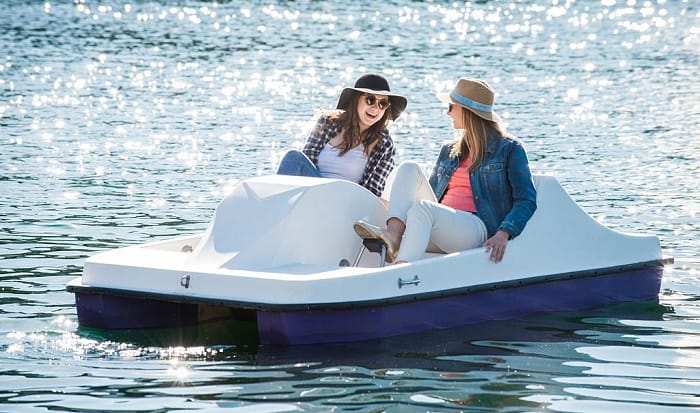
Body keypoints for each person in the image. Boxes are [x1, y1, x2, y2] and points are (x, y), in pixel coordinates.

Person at [354, 77, 537, 264]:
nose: (447, 113)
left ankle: (401, 271)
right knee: (409, 168)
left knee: (423, 209)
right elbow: (433, 197)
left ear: (467, 112)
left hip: (476, 228)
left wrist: (504, 233)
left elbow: (526, 200)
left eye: (451, 107)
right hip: (440, 225)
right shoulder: (449, 150)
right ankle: (393, 234)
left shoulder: (509, 148)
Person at [276, 73, 407, 197]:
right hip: (314, 192)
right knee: (293, 157)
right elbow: (306, 162)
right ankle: (276, 207)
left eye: (382, 103)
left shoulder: (384, 143)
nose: (376, 108)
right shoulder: (327, 123)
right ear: (355, 100)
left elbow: (372, 192)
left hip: (347, 201)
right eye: (370, 100)